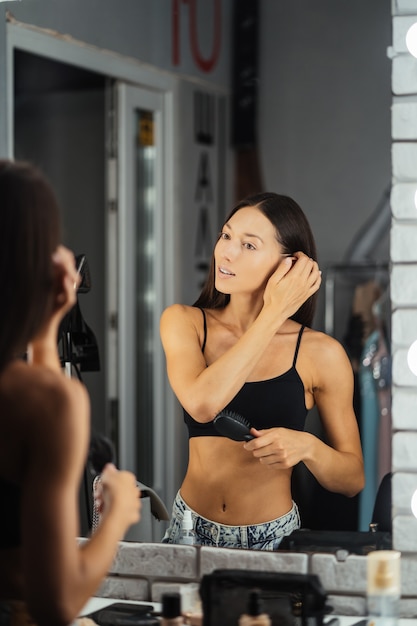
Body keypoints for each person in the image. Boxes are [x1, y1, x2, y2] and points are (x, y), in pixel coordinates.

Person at [160, 191, 365, 550]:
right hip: (188, 531)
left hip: (274, 539)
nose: (226, 252)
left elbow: (352, 479)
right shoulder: (184, 322)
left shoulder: (322, 353)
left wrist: (308, 447)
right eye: (226, 236)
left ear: (290, 265)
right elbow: (202, 404)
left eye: (249, 246)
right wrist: (272, 314)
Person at [0, 159, 141, 626]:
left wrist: (44, 334)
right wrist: (117, 514)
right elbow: (55, 603)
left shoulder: (33, 397)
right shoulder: (48, 404)